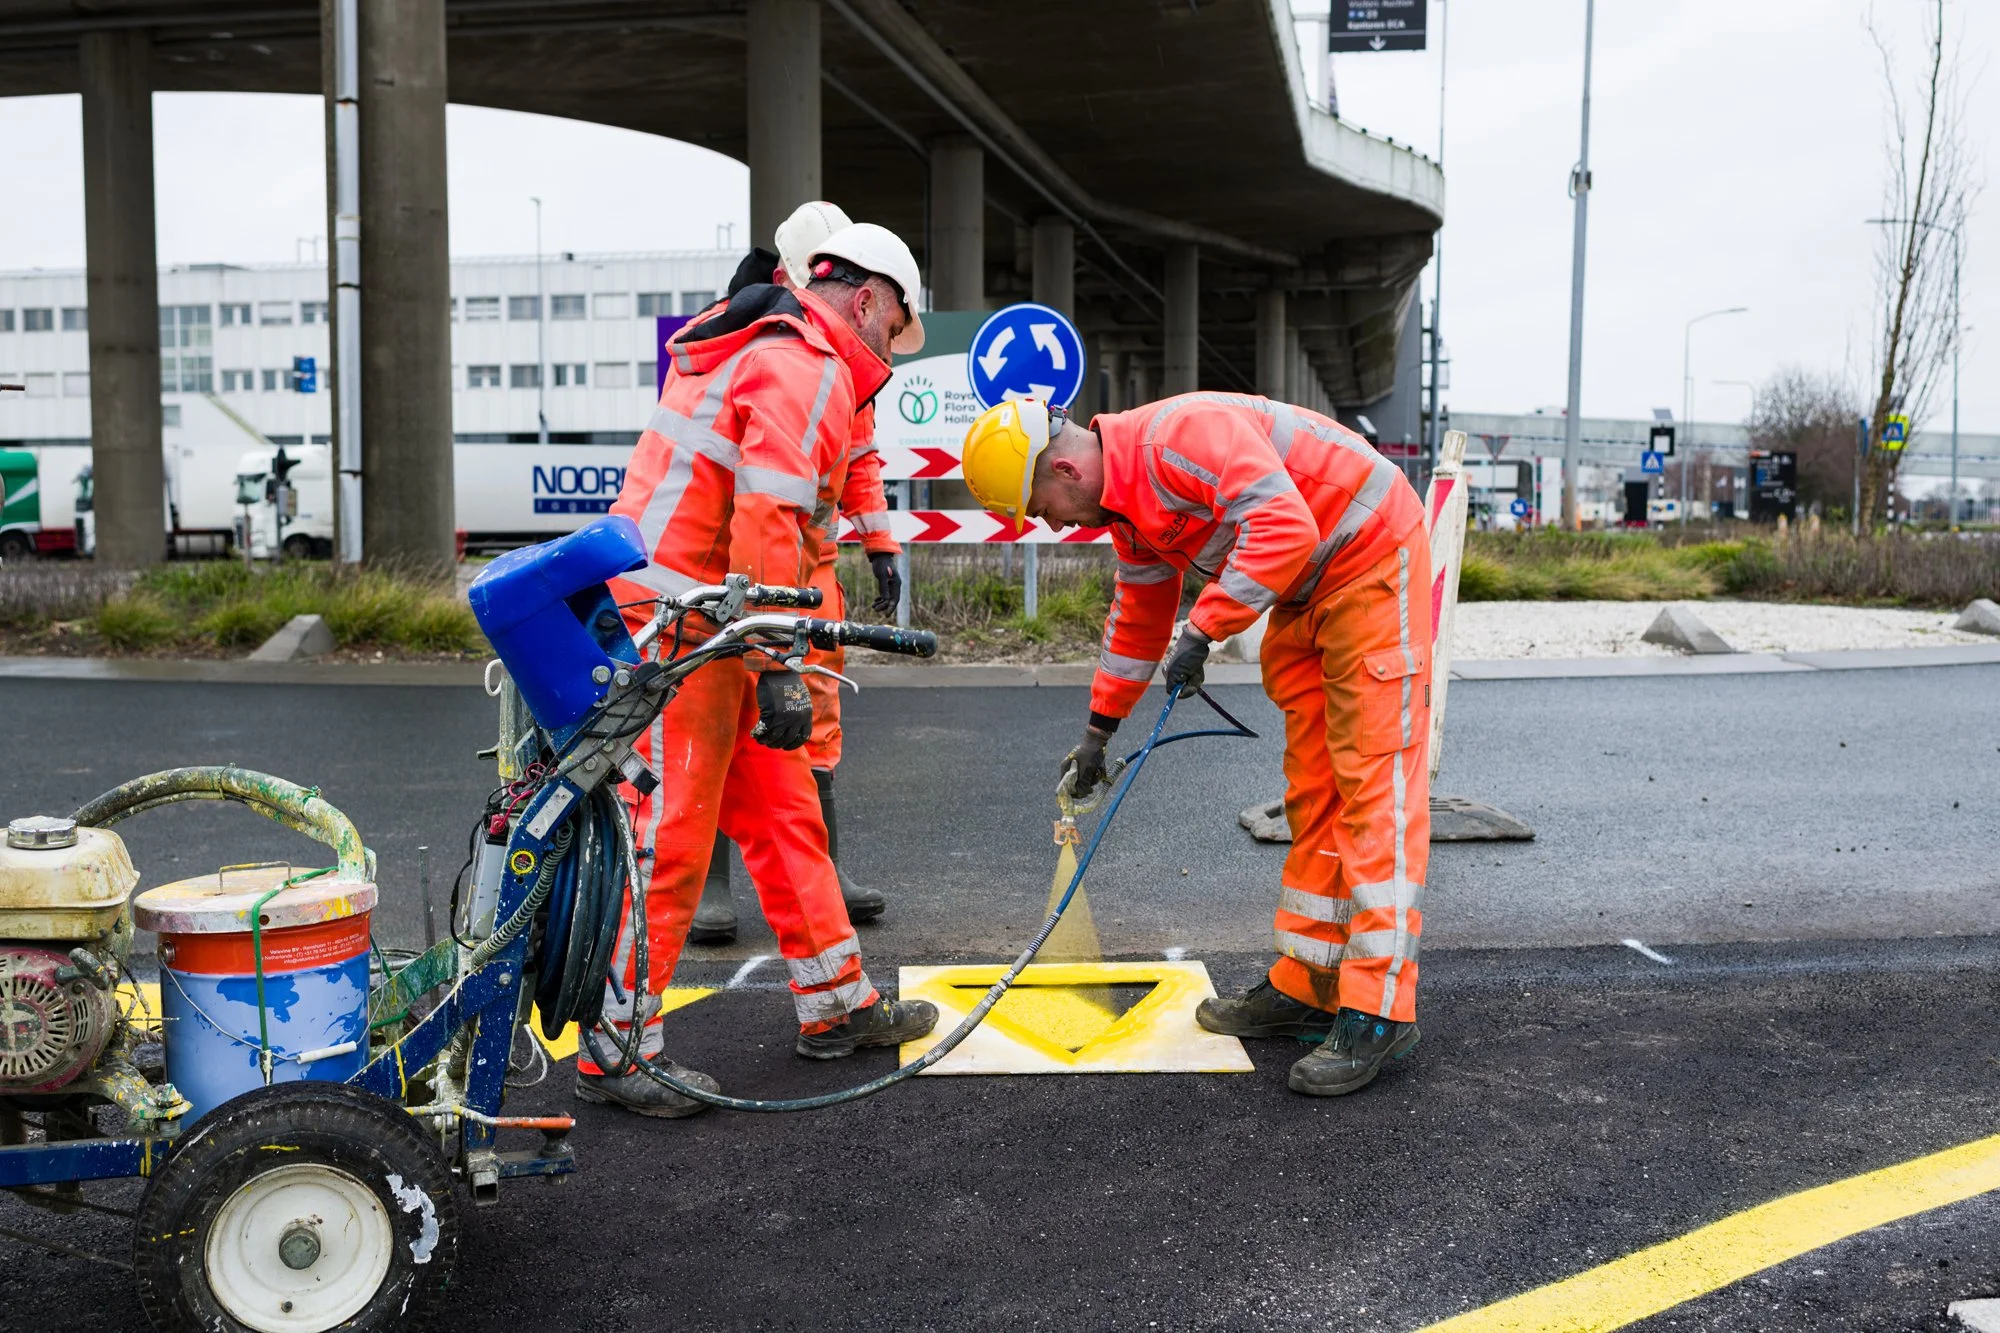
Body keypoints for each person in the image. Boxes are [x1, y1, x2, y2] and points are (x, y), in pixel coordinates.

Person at [959, 391, 1433, 1097]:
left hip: (1367, 555)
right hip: (1304, 591)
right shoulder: (1130, 515)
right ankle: (1309, 983)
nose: (1053, 524)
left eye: (1044, 507)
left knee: (1372, 788)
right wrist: (1099, 731)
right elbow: (1139, 618)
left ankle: (1380, 1007)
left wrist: (1204, 628)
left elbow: (1283, 524)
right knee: (1315, 791)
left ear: (1063, 468)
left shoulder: (1179, 438)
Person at [580, 222, 937, 1117]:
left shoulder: (757, 346)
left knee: (783, 816)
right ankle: (619, 1050)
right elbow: (769, 519)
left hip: (705, 619)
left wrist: (763, 644)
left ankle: (834, 1003)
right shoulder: (802, 365)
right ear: (867, 299)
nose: (887, 349)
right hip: (679, 632)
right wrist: (781, 657)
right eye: (892, 329)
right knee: (671, 836)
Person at [689, 202, 904, 945]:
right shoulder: (750, 338)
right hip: (730, 562)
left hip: (807, 567)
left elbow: (860, 453)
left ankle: (825, 875)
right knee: (717, 717)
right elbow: (752, 494)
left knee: (814, 716)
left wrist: (881, 546)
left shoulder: (839, 355)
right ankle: (707, 887)